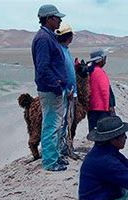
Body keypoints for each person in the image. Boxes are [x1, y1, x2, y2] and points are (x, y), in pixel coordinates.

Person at [31, 4, 68, 171]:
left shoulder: (49, 36)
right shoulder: (43, 39)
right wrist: (56, 85)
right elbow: (43, 68)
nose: (60, 20)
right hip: (50, 90)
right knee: (51, 126)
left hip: (53, 89)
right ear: (48, 19)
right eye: (57, 17)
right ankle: (50, 162)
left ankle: (54, 157)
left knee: (55, 125)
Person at [55, 23, 79, 159]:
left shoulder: (65, 50)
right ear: (68, 37)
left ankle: (64, 148)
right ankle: (58, 151)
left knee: (66, 121)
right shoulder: (59, 52)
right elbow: (60, 73)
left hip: (69, 92)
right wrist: (65, 89)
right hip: (65, 93)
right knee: (61, 122)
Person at [87, 49, 116, 132]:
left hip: (92, 106)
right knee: (103, 131)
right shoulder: (98, 72)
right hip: (102, 107)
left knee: (93, 129)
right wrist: (110, 106)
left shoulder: (91, 70)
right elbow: (105, 90)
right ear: (100, 60)